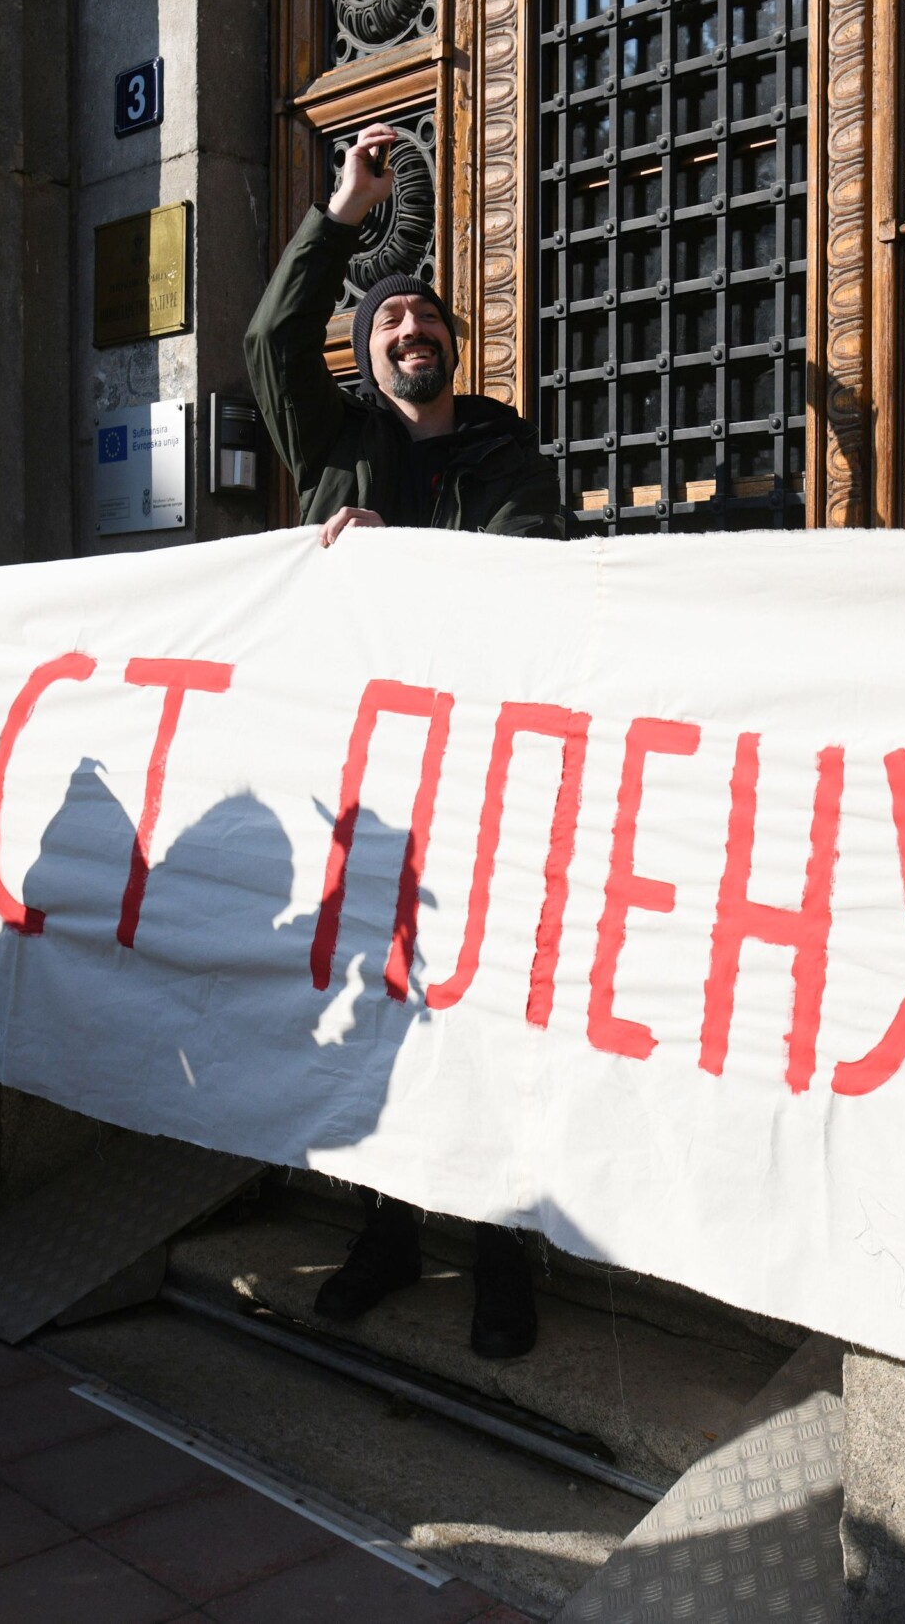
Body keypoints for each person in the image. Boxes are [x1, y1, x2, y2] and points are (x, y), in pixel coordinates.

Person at [243, 124, 560, 1360]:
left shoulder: (500, 444)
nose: (408, 333)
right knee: (383, 1010)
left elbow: (527, 566)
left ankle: (500, 1250)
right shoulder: (331, 448)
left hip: (485, 785)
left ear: (449, 344)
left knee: (486, 1016)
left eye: (422, 321)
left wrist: (405, 566)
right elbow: (271, 341)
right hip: (367, 789)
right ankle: (384, 1229)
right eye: (386, 327)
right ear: (367, 357)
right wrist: (344, 217)